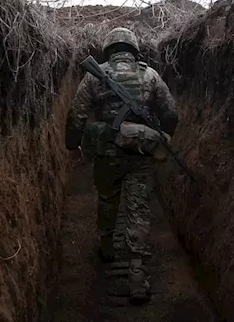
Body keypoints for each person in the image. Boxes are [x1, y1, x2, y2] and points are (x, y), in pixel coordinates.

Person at [65, 27, 178, 305]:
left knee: (107, 198)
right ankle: (137, 273)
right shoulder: (150, 75)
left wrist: (72, 144)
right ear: (133, 49)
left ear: (108, 49)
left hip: (107, 154)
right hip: (140, 153)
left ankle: (106, 245)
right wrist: (161, 134)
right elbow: (170, 112)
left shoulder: (94, 76)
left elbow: (77, 115)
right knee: (138, 208)